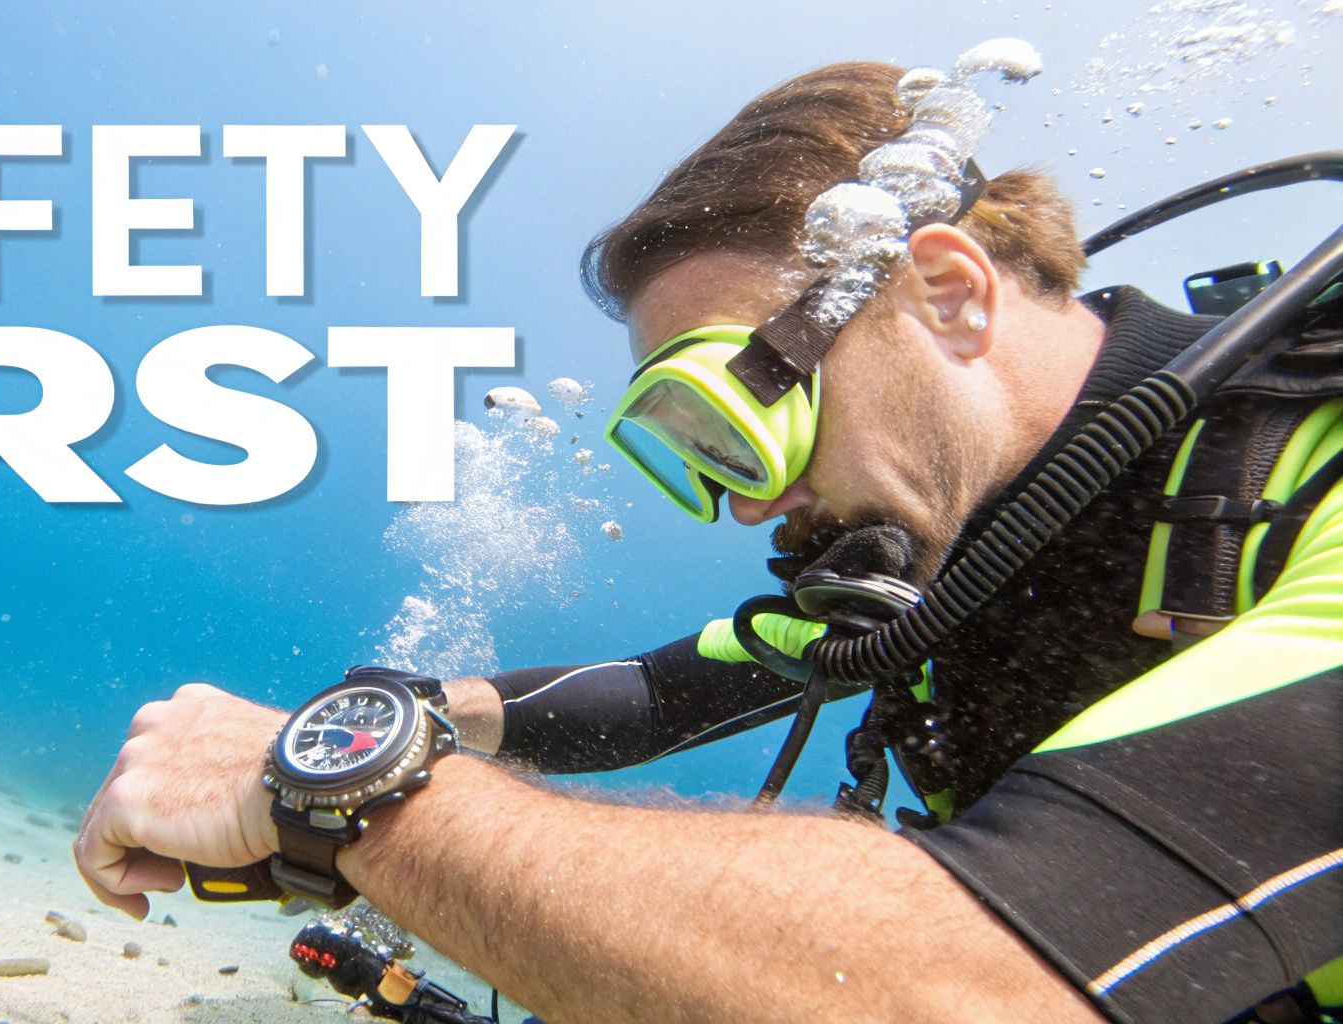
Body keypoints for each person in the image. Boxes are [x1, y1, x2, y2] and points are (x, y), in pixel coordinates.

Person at [74, 61, 1343, 1023]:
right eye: (693, 451)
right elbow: (653, 695)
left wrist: (339, 791)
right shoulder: (940, 551)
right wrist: (392, 715)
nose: (742, 504)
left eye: (744, 413)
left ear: (948, 292)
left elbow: (976, 985)